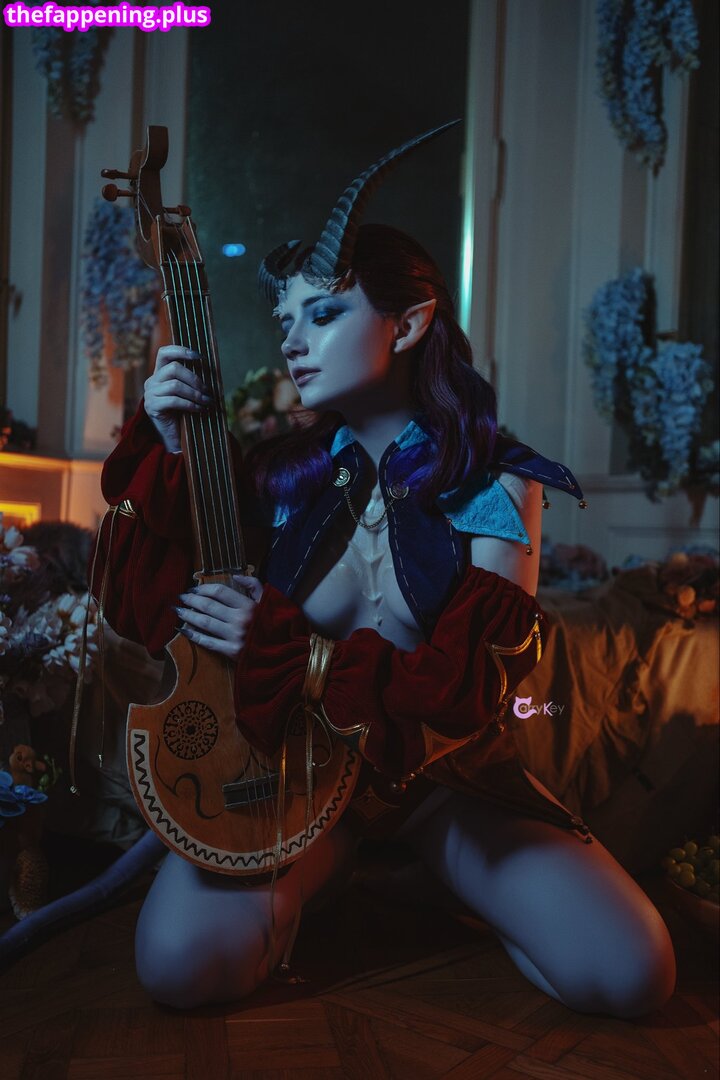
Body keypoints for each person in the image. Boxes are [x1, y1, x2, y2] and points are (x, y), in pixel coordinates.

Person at [93, 124, 676, 1014]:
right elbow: (156, 610)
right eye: (287, 320)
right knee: (177, 966)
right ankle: (337, 871)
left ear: (407, 323)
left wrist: (292, 647)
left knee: (634, 973)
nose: (293, 341)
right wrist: (172, 442)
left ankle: (433, 876)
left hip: (448, 788)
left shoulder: (498, 485)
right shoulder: (279, 480)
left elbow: (468, 690)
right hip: (299, 781)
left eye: (324, 314)